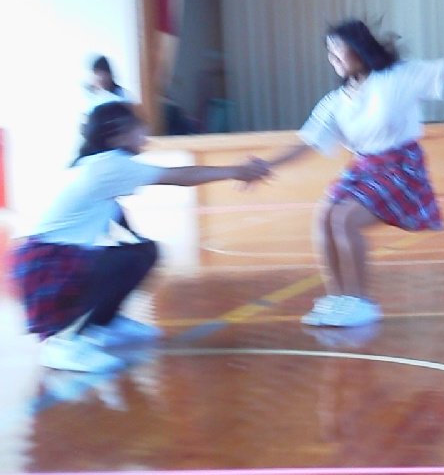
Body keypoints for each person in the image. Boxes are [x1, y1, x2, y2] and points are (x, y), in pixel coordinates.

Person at [264, 19, 444, 329]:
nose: (332, 57)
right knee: (323, 217)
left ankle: (359, 301)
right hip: (363, 168)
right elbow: (307, 141)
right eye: (329, 51)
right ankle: (338, 299)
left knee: (345, 219)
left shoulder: (396, 77)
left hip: (402, 167)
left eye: (338, 49)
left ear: (358, 49)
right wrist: (266, 165)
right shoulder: (337, 101)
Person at [12, 102, 270, 374]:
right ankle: (62, 342)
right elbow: (180, 176)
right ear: (115, 136)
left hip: (44, 260)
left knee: (141, 252)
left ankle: (103, 324)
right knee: (124, 260)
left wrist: (138, 245)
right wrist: (236, 171)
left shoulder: (99, 164)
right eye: (137, 127)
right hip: (45, 265)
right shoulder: (110, 165)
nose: (144, 132)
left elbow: (116, 215)